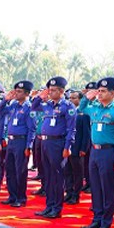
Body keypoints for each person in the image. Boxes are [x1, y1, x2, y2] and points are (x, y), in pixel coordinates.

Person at [79, 77, 114, 228]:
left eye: (103, 91)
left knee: (108, 187)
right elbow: (80, 110)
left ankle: (106, 221)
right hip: (95, 151)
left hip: (110, 152)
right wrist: (86, 98)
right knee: (95, 186)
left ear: (112, 93)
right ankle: (97, 218)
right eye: (98, 91)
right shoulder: (95, 108)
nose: (99, 94)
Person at [31, 76, 76, 218]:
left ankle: (56, 208)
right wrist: (40, 96)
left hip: (58, 143)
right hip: (45, 142)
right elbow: (33, 106)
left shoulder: (68, 107)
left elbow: (71, 129)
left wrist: (67, 146)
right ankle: (49, 205)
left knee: (57, 177)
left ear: (62, 91)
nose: (50, 92)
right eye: (49, 90)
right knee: (48, 176)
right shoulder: (47, 105)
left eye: (54, 90)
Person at [0, 80, 36, 207]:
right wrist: (6, 100)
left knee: (20, 171)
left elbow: (32, 129)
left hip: (21, 141)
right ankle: (12, 195)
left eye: (19, 92)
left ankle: (21, 198)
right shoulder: (13, 105)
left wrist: (29, 146)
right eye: (16, 91)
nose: (16, 94)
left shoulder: (29, 108)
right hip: (11, 141)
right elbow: (0, 111)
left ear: (27, 93)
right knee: (9, 169)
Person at [63, 90, 90, 205]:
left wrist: (83, 149)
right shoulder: (67, 112)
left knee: (78, 173)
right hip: (66, 147)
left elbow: (86, 134)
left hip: (77, 148)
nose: (71, 100)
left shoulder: (83, 114)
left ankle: (76, 195)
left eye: (74, 98)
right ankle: (68, 192)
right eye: (70, 98)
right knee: (67, 171)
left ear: (80, 99)